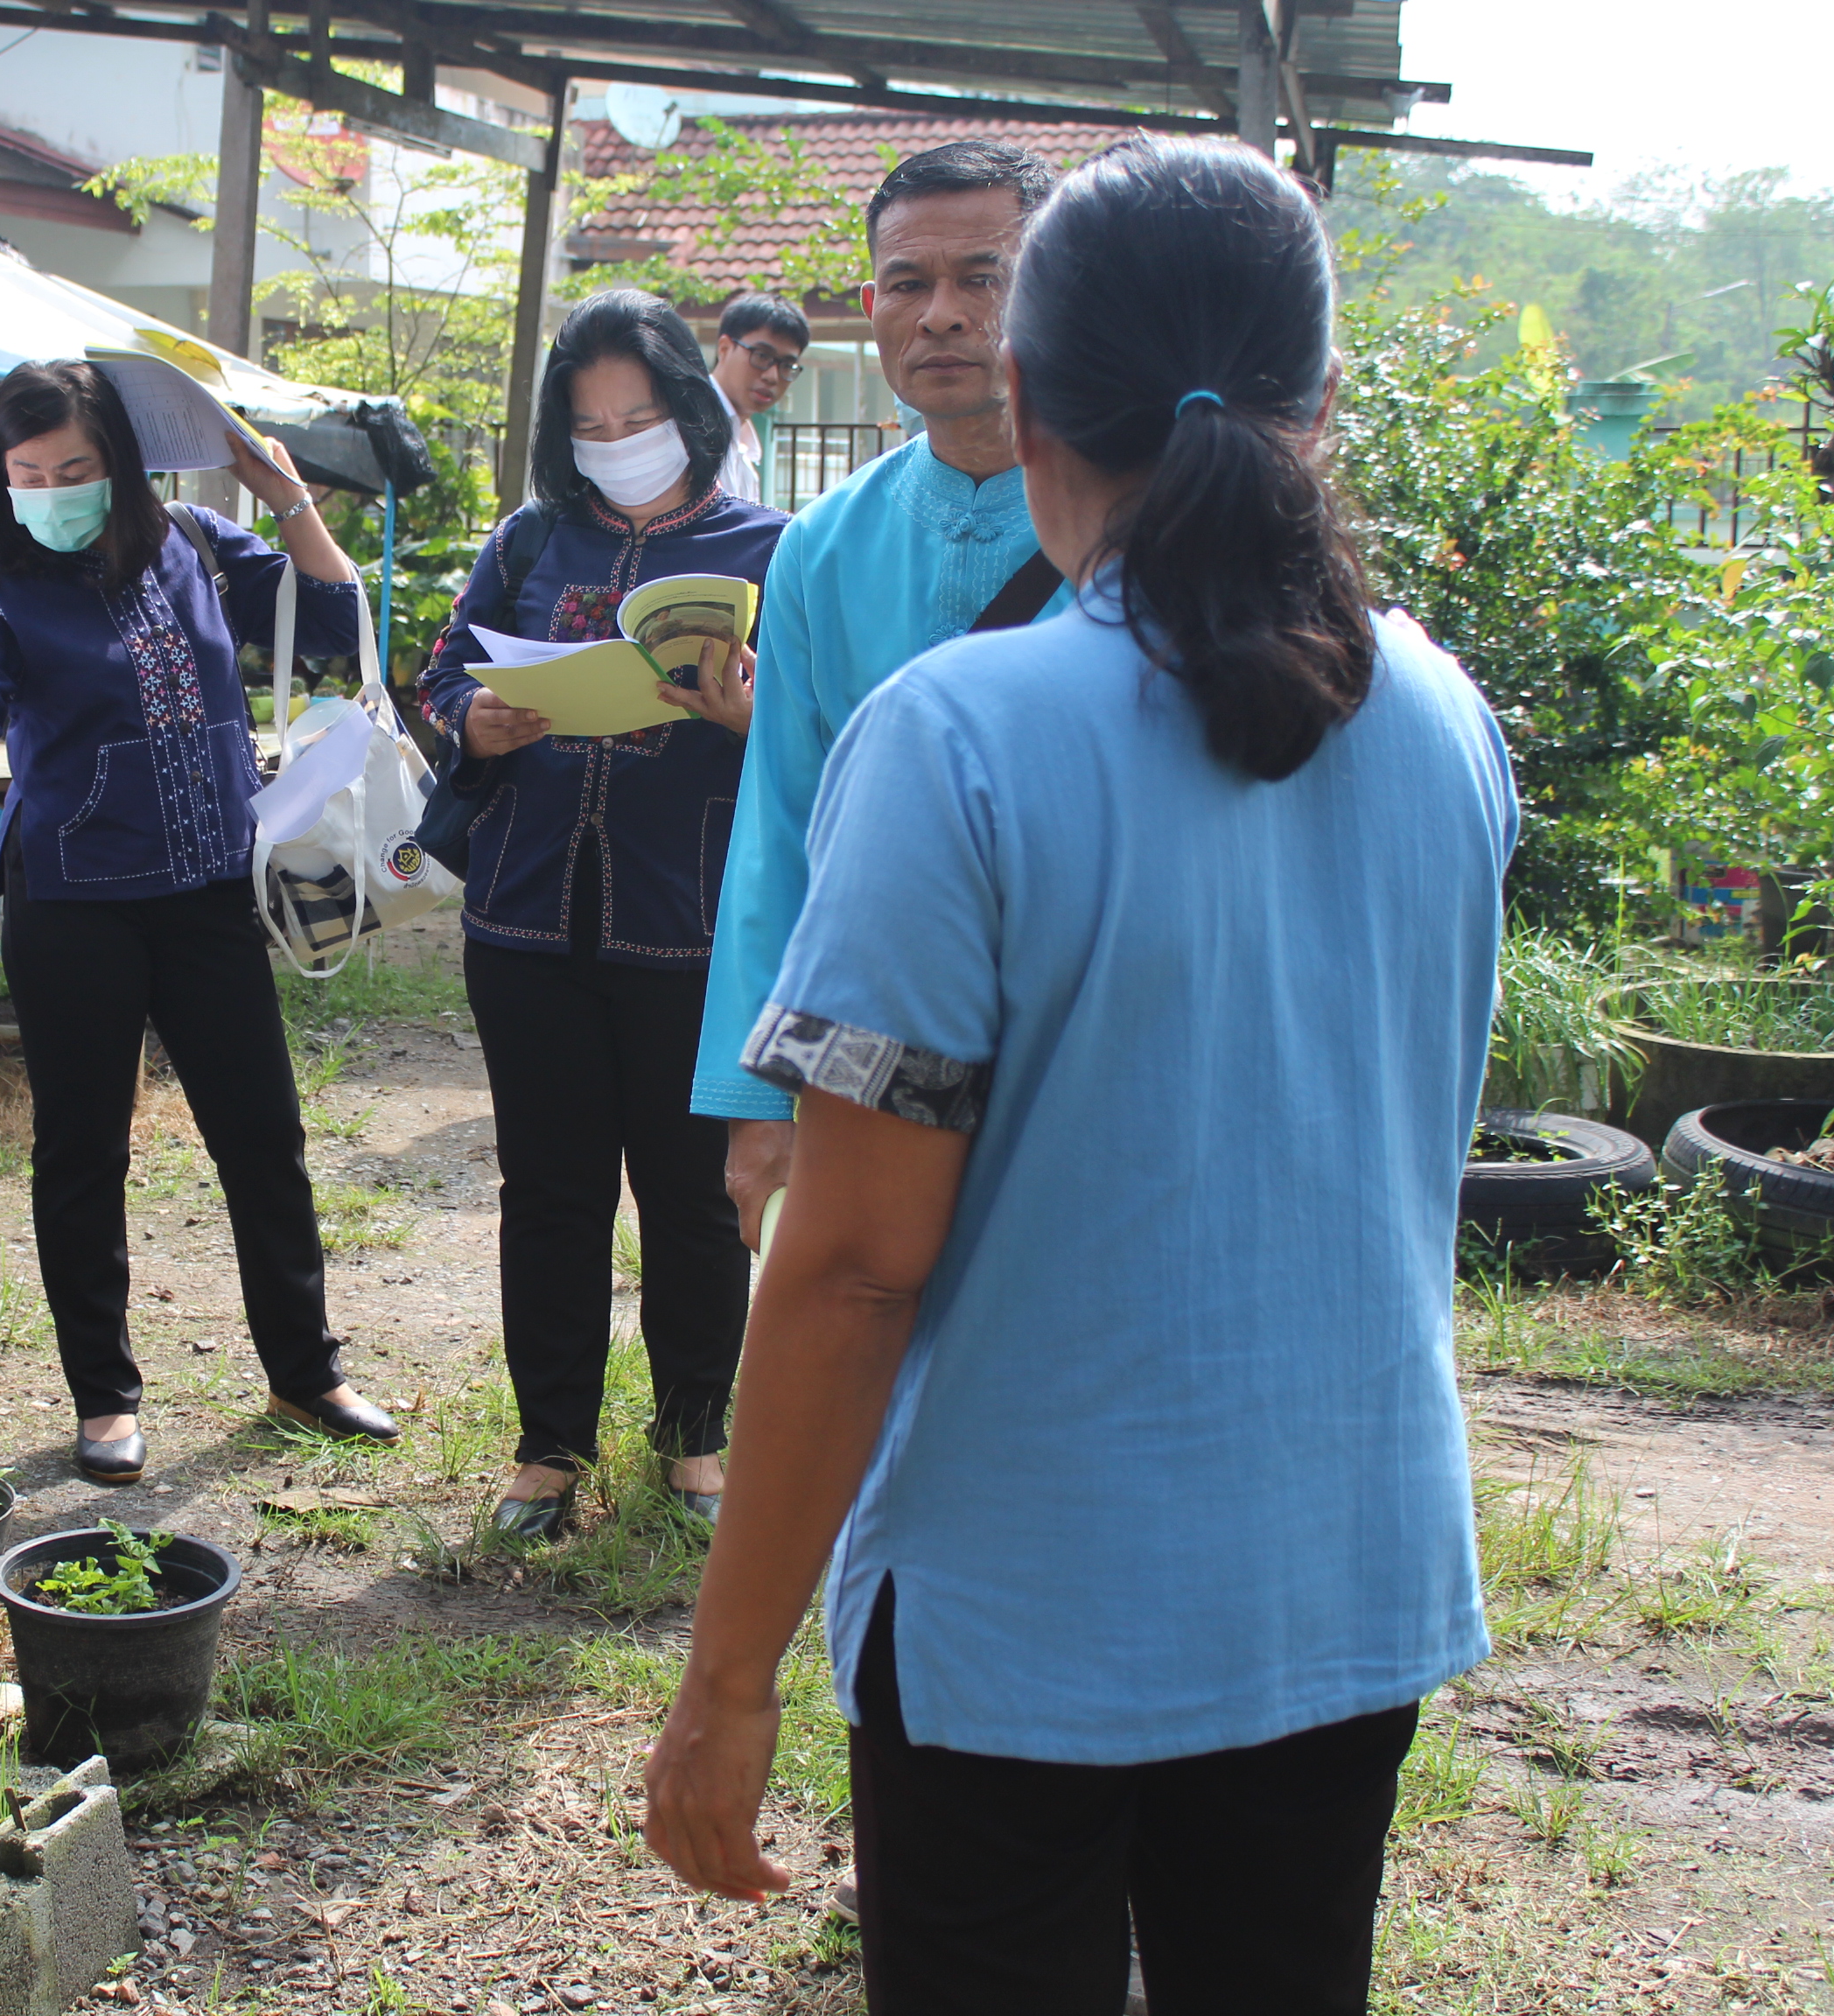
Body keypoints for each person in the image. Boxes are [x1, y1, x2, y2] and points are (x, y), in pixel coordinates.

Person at [640, 137, 1515, 2012]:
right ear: (1325, 401)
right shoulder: (1443, 716)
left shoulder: (959, 736)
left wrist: (726, 1684)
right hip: (1343, 1579)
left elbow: (858, 1266)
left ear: (1026, 386)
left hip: (1024, 1612)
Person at [0, 360, 399, 1488]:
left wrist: (287, 500)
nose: (53, 489)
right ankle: (105, 1397)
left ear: (120, 463)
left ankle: (304, 1370)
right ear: (2, 479)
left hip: (210, 890)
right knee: (83, 1153)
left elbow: (328, 618)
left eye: (75, 468)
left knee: (262, 1136)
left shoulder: (192, 545)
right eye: (28, 474)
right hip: (75, 903)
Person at [416, 290, 789, 1543]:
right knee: (551, 1190)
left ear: (688, 408)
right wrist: (471, 719)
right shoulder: (532, 542)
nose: (616, 439)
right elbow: (443, 674)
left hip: (690, 927)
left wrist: (754, 715)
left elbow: (827, 725)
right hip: (526, 922)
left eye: (638, 415)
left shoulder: (770, 550)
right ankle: (548, 1447)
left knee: (691, 1196)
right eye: (590, 422)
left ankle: (695, 1440)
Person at [692, 141, 1071, 1248]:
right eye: (909, 283)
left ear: (1052, 294)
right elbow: (782, 823)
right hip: (872, 1043)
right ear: (872, 306)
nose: (941, 314)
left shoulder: (1133, 527)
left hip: (1081, 1034)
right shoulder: (821, 546)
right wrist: (757, 1098)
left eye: (982, 277)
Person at [706, 293, 809, 508]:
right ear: (724, 348)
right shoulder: (688, 423)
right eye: (762, 356)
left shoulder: (744, 446)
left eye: (787, 365)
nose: (772, 376)